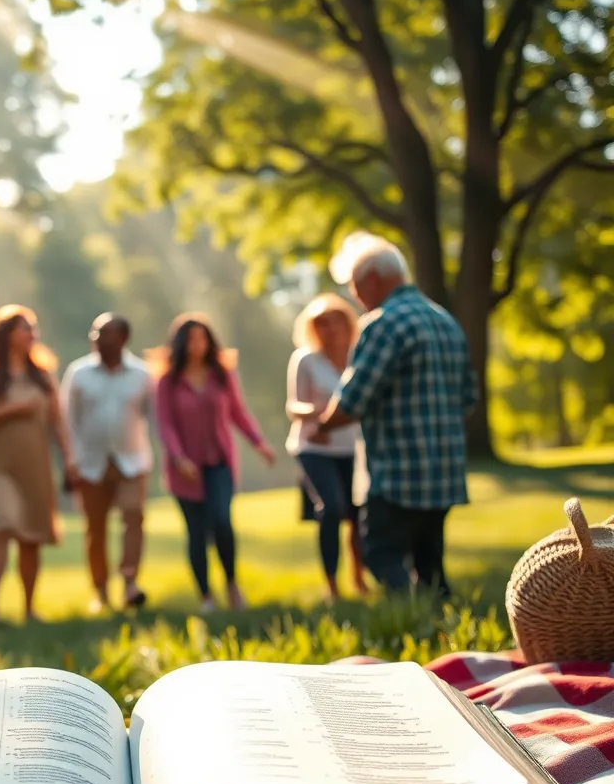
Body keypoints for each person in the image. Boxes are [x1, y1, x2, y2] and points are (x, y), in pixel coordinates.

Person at [316, 232, 478, 599]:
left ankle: (411, 619)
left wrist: (320, 427)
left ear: (372, 280)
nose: (355, 298)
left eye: (355, 287)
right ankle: (442, 627)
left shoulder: (383, 323)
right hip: (445, 470)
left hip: (399, 473)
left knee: (380, 553)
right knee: (430, 562)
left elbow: (353, 400)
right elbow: (468, 398)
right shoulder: (445, 321)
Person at [0, 305, 75, 626]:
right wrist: (16, 410)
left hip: (34, 465)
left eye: (33, 328)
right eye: (25, 328)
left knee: (31, 535)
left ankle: (29, 608)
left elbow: (57, 423)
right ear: (6, 335)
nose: (32, 334)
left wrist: (69, 460)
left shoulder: (43, 376)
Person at [153, 314, 276, 612]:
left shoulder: (221, 375)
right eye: (192, 339)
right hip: (185, 469)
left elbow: (238, 413)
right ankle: (206, 596)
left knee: (222, 521)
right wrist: (179, 457)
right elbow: (165, 424)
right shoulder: (168, 382)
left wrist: (258, 443)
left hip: (218, 463)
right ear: (181, 343)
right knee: (196, 532)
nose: (198, 345)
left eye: (203, 338)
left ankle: (232, 584)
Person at [61, 313, 152, 612]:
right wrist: (70, 459)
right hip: (89, 463)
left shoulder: (141, 373)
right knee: (95, 529)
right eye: (95, 332)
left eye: (104, 333)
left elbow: (154, 416)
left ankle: (129, 582)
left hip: (131, 461)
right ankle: (100, 591)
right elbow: (67, 419)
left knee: (133, 515)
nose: (96, 338)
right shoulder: (78, 373)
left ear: (123, 339)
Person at [286, 294, 368, 602]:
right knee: (332, 508)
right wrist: (321, 417)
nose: (329, 329)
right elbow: (294, 406)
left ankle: (359, 578)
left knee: (356, 514)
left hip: (352, 448)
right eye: (321, 323)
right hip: (313, 447)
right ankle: (332, 584)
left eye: (335, 321)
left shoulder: (359, 356)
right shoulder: (305, 359)